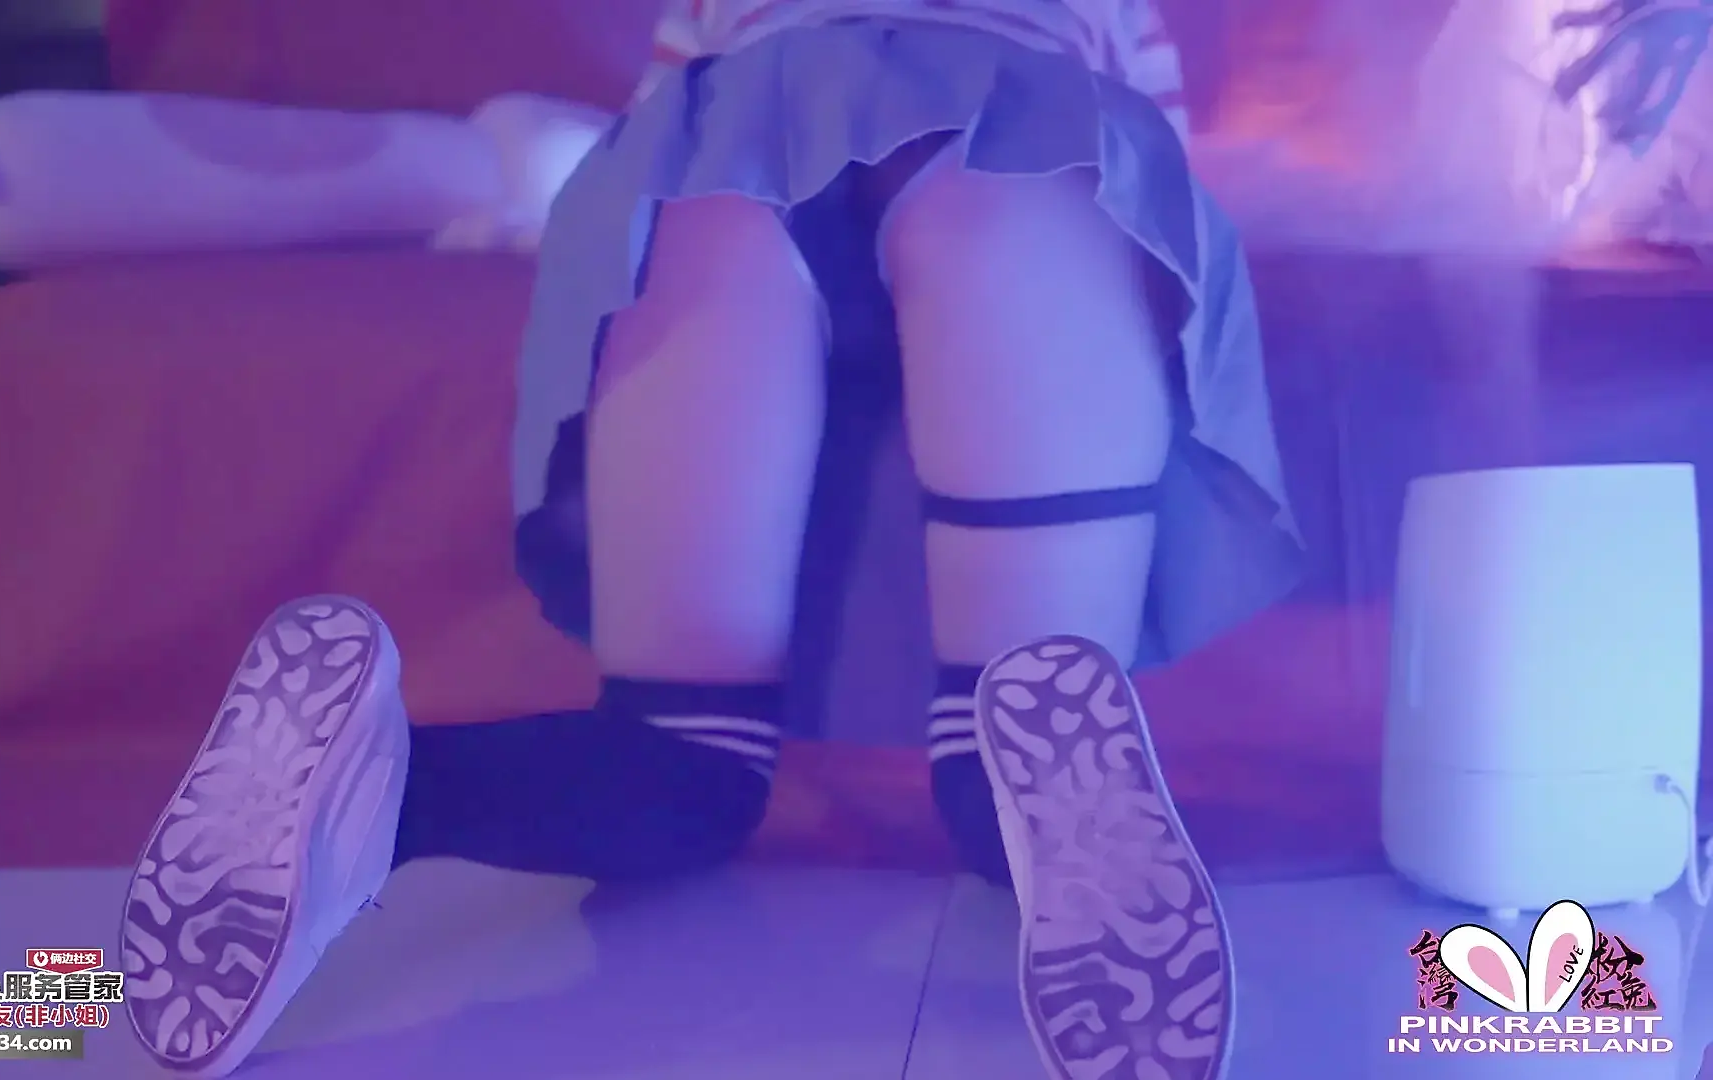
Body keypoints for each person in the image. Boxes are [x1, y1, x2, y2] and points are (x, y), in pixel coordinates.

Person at [117, 2, 1304, 1077]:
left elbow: (643, 128)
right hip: (1024, 145)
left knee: (679, 750)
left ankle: (385, 790)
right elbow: (1164, 183)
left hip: (723, 152)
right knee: (1021, 710)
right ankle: (1037, 795)